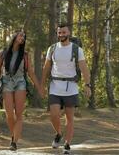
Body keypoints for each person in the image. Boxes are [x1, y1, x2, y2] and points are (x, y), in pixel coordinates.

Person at [41, 23, 91, 155]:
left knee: (70, 118)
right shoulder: (52, 49)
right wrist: (41, 85)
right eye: (59, 33)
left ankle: (67, 145)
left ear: (68, 33)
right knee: (54, 115)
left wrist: (87, 84)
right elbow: (46, 68)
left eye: (64, 32)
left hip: (71, 87)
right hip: (55, 86)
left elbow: (84, 68)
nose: (61, 35)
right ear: (57, 34)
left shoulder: (77, 49)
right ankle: (58, 133)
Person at [0, 30, 45, 151]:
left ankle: (14, 143)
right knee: (9, 114)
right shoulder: (3, 53)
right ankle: (13, 136)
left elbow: (30, 72)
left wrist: (39, 87)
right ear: (14, 37)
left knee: (19, 114)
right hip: (6, 83)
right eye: (21, 35)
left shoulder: (25, 55)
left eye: (24, 37)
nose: (23, 38)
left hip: (20, 82)